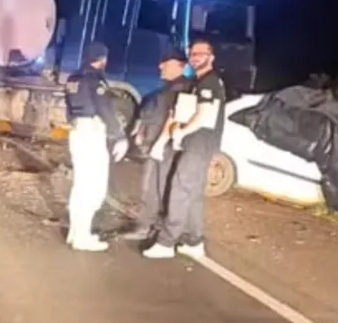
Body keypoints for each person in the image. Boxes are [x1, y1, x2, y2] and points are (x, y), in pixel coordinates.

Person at [143, 39, 226, 259]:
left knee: (179, 189)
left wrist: (182, 131)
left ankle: (167, 242)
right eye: (193, 53)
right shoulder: (199, 82)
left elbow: (204, 114)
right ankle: (194, 240)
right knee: (193, 193)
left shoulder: (209, 82)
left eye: (201, 53)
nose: (196, 56)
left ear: (212, 57)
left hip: (198, 146)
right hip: (199, 146)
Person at [64, 41, 129, 251]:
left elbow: (68, 108)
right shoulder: (95, 80)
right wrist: (119, 135)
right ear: (102, 60)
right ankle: (82, 236)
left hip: (77, 132)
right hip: (92, 132)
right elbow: (105, 108)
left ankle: (75, 232)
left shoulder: (73, 79)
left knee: (80, 184)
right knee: (94, 186)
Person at [122, 50, 190, 241]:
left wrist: (159, 143)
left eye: (165, 63)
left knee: (153, 186)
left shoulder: (181, 89)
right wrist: (141, 131)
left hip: (164, 148)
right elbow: (151, 112)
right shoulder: (167, 89)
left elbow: (173, 118)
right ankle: (152, 224)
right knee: (153, 186)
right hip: (156, 145)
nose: (160, 66)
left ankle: (147, 226)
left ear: (180, 65)